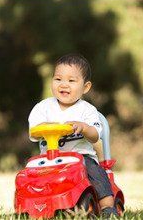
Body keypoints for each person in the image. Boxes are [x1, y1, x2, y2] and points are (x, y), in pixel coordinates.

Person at [28, 53, 117, 217]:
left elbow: (95, 135)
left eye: (71, 80)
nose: (64, 85)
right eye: (58, 79)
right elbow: (34, 131)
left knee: (96, 172)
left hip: (80, 158)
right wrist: (47, 127)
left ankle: (107, 207)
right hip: (49, 159)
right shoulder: (43, 108)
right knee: (30, 175)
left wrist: (84, 127)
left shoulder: (87, 110)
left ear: (86, 87)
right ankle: (30, 203)